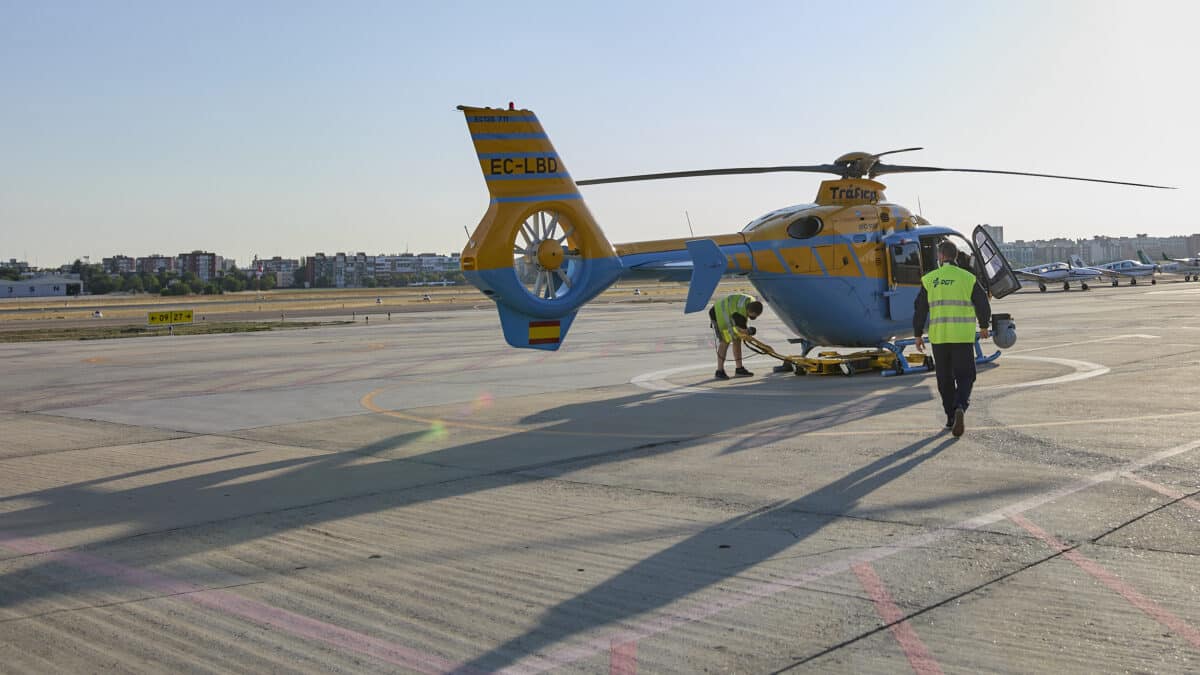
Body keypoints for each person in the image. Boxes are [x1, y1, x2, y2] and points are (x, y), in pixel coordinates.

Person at [913, 241, 991, 437]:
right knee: (966, 376)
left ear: (940, 257)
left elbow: (920, 309)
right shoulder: (968, 278)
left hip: (939, 338)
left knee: (944, 379)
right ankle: (961, 407)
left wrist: (917, 334)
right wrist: (984, 326)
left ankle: (950, 417)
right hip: (962, 337)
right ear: (955, 256)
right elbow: (983, 303)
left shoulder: (929, 279)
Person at [708, 293, 763, 379]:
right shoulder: (740, 314)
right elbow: (742, 331)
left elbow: (741, 331)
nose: (752, 318)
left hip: (728, 311)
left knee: (737, 340)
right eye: (752, 316)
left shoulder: (751, 301)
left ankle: (739, 369)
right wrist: (749, 331)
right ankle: (719, 371)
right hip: (718, 314)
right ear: (749, 311)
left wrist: (746, 331)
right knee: (725, 341)